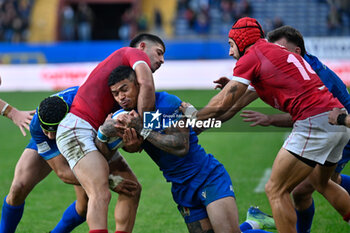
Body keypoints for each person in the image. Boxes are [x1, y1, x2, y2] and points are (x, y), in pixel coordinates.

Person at [181, 17, 350, 232]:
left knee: (275, 189)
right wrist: (201, 123)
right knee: (322, 182)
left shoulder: (252, 57)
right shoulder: (275, 54)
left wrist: (191, 115)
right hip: (337, 120)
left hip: (315, 122)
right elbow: (231, 106)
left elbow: (222, 104)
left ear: (242, 42)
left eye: (231, 45)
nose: (230, 53)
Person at [97, 65, 275, 233]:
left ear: (138, 85)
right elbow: (129, 148)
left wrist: (143, 129)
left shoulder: (166, 102)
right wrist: (104, 134)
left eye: (124, 89)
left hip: (206, 176)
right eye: (115, 94)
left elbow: (181, 146)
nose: (121, 97)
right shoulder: (127, 116)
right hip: (181, 186)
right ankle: (253, 222)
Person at [238, 25, 350, 233]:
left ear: (297, 50)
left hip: (341, 126)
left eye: (281, 48)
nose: (276, 53)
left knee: (299, 187)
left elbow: (314, 114)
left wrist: (269, 119)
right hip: (336, 127)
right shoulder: (297, 67)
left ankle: (262, 225)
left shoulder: (309, 72)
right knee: (313, 186)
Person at [56, 33, 165, 232]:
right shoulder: (132, 52)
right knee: (100, 193)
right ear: (142, 47)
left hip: (90, 132)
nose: (162, 60)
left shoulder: (121, 91)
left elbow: (127, 143)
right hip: (78, 128)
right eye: (158, 53)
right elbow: (147, 84)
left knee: (132, 189)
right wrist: (145, 130)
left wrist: (136, 139)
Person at [0, 86, 141, 233]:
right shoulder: (41, 125)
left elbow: (127, 144)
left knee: (85, 206)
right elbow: (63, 172)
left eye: (52, 132)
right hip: (56, 135)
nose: (50, 136)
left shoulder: (90, 107)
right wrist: (110, 180)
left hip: (85, 133)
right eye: (46, 131)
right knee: (18, 188)